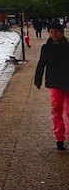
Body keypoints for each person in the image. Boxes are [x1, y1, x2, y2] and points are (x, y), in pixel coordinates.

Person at [34, 21, 69, 150]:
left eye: (57, 31)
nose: (54, 34)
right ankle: (59, 138)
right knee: (57, 110)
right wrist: (38, 80)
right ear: (49, 33)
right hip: (54, 83)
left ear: (62, 32)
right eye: (52, 31)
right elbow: (41, 64)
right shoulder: (46, 48)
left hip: (68, 82)